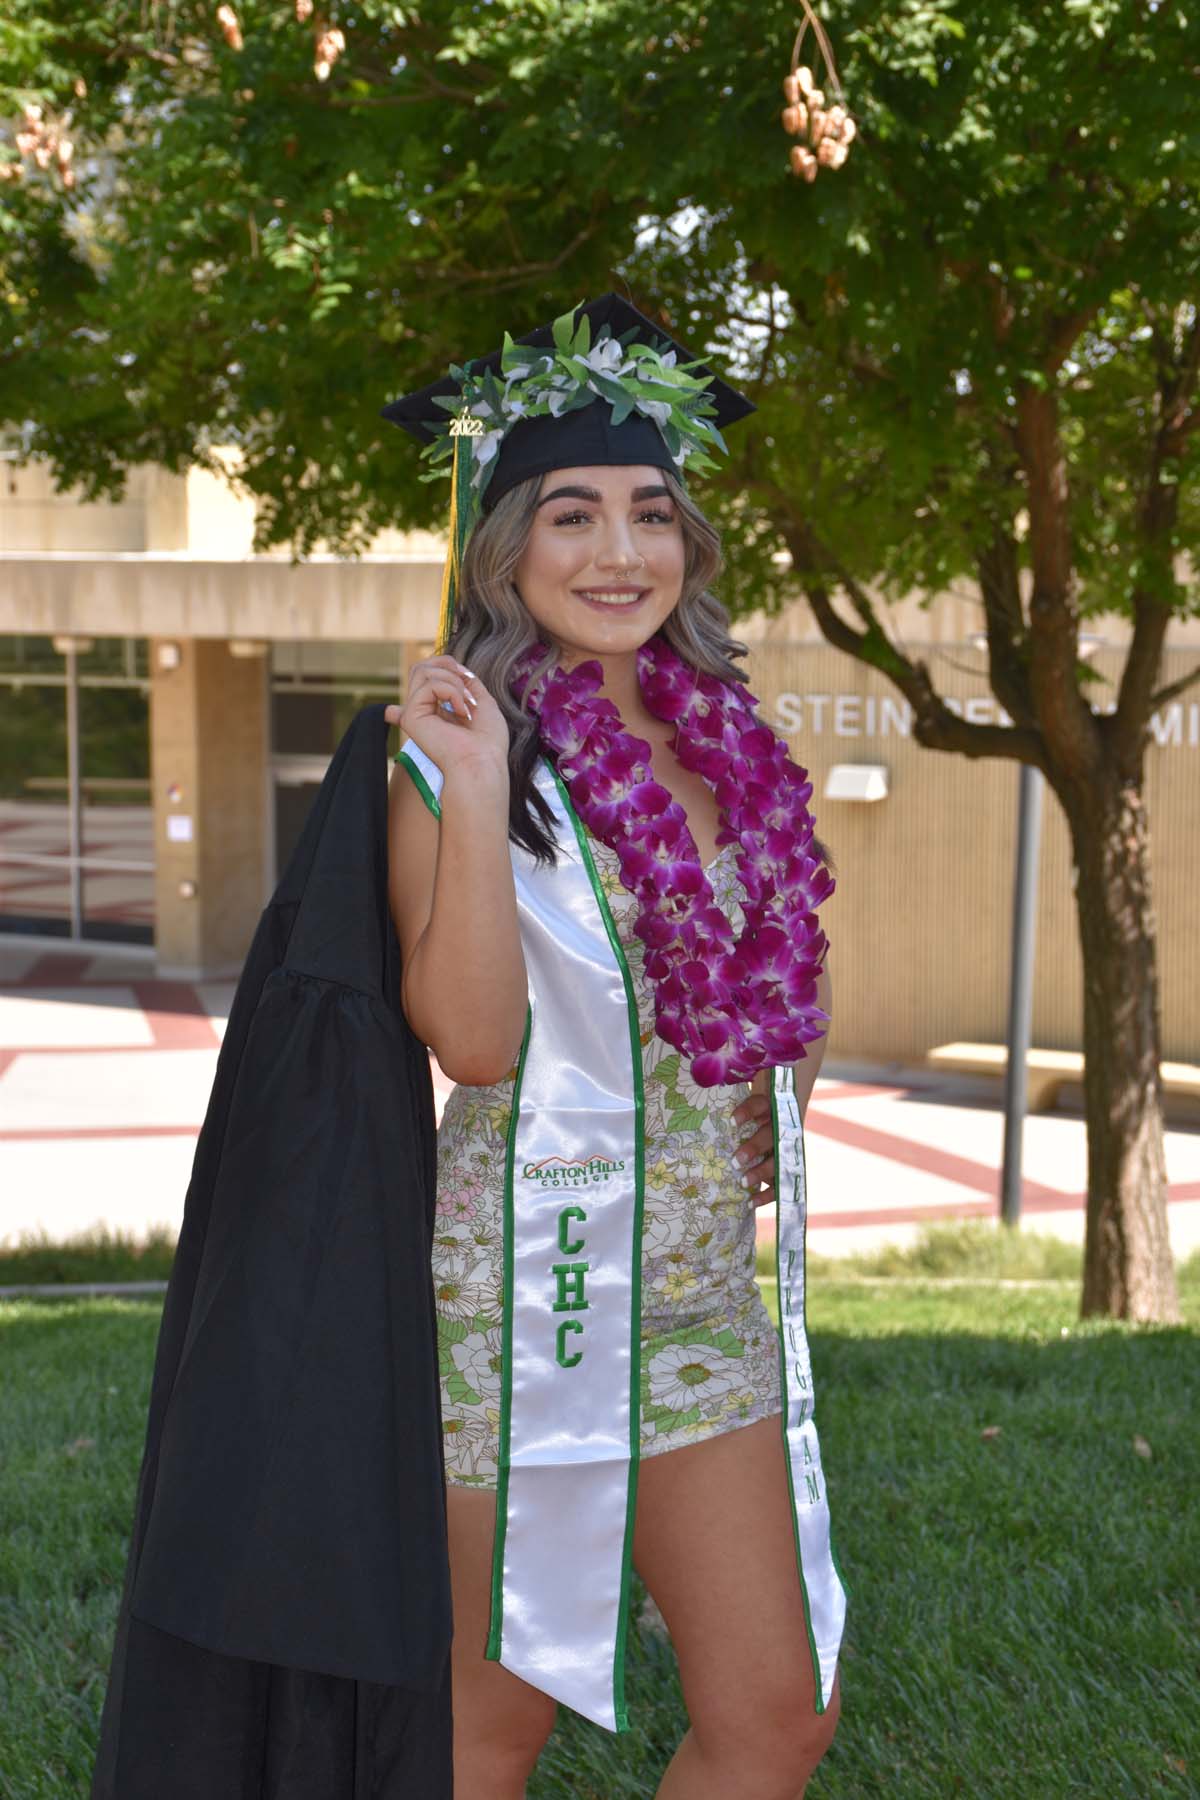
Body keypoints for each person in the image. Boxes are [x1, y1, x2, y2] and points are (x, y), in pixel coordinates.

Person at [380, 292, 847, 1800]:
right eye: (572, 515)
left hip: (705, 1289)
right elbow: (472, 1041)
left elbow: (781, 981)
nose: (621, 552)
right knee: (489, 1727)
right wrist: (472, 777)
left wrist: (778, 1100)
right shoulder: (455, 754)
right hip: (525, 1294)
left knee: (777, 1715)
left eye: (652, 512)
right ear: (504, 541)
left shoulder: (730, 740)